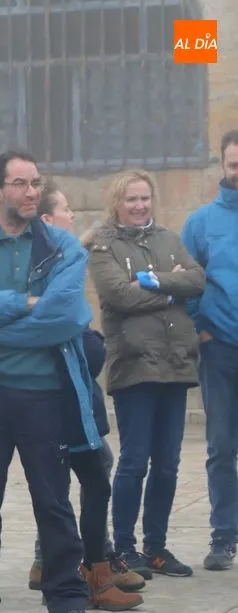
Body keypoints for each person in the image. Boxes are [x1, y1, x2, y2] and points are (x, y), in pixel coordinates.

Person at [0, 149, 101, 613]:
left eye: (36, 183)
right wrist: (25, 303)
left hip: (45, 396)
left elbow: (65, 317)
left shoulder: (64, 249)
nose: (32, 192)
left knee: (53, 503)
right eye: (20, 184)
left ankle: (68, 606)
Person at [84, 169, 205, 580]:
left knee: (168, 463)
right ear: (117, 203)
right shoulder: (103, 245)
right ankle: (125, 547)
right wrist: (171, 291)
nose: (139, 206)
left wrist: (153, 281)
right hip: (135, 364)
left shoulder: (168, 238)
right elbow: (119, 295)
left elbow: (197, 279)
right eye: (131, 199)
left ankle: (156, 547)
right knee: (134, 460)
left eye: (144, 198)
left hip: (175, 362)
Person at [30, 181, 144, 610]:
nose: (72, 215)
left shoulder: (66, 260)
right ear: (47, 219)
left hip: (77, 397)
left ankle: (85, 567)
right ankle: (77, 572)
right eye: (65, 209)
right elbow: (65, 334)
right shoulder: (47, 269)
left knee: (91, 479)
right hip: (57, 401)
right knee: (74, 486)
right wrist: (94, 345)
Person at [181, 129, 238, 572]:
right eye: (234, 164)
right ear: (222, 165)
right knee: (221, 446)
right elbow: (185, 279)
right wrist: (200, 328)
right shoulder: (201, 223)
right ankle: (224, 536)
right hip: (220, 350)